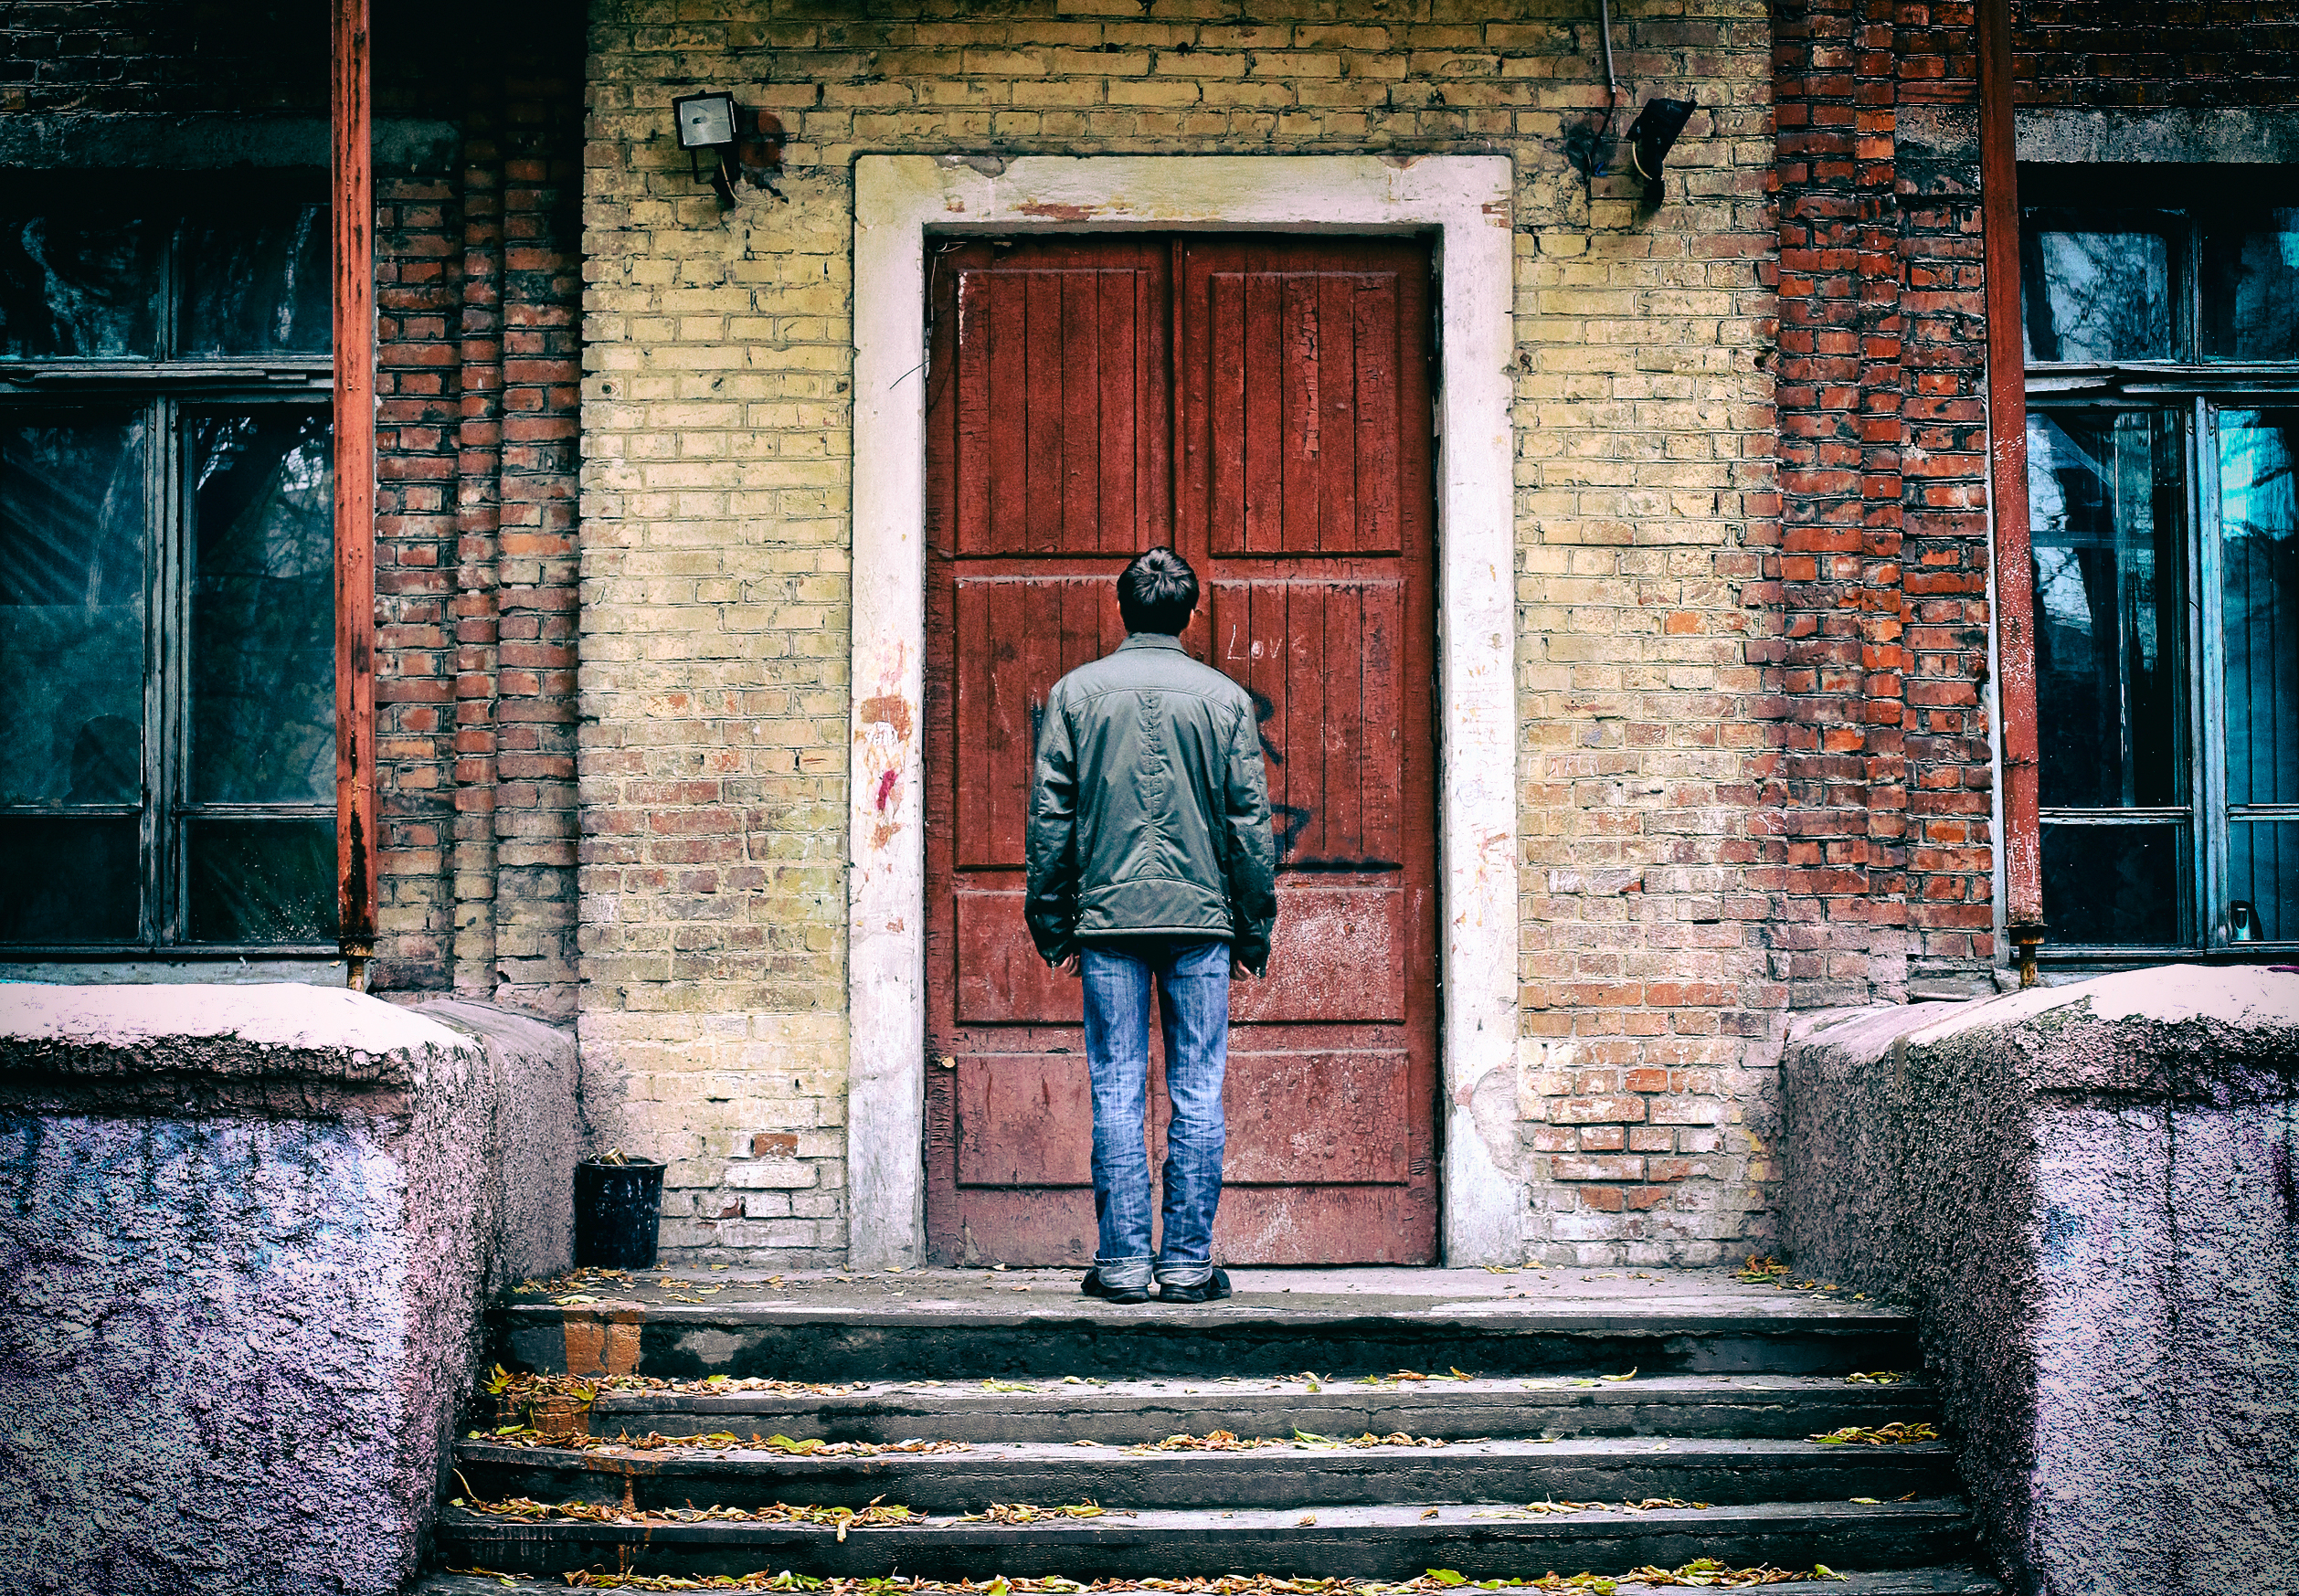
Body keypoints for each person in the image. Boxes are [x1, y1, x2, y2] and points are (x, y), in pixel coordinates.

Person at [1024, 546, 1277, 1305]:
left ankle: (1125, 1266)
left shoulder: (1076, 694)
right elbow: (1249, 826)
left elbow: (1051, 819)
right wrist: (1253, 927)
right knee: (1198, 1089)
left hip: (1107, 921)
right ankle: (1187, 1266)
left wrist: (1052, 921)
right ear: (1190, 613)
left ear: (1122, 608)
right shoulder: (1224, 699)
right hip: (1202, 920)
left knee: (1117, 1088)